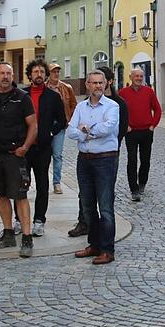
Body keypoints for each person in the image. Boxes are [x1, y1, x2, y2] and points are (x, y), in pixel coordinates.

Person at [0, 61, 38, 258]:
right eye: (2, 73)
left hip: (15, 154)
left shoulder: (22, 98)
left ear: (13, 76)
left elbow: (33, 125)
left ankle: (27, 238)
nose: (5, 76)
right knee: (0, 194)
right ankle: (8, 233)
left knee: (20, 195)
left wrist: (25, 148)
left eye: (8, 73)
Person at [68, 70, 120, 265]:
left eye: (101, 83)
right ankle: (94, 245)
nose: (97, 86)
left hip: (105, 160)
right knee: (87, 205)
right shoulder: (81, 107)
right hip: (85, 160)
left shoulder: (112, 106)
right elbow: (71, 130)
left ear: (106, 84)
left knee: (105, 207)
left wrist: (86, 130)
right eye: (94, 83)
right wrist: (86, 133)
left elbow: (109, 127)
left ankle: (107, 250)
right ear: (87, 85)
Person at [16, 59, 66, 237]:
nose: (39, 75)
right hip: (23, 147)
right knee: (20, 185)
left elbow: (62, 121)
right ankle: (19, 220)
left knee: (42, 185)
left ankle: (39, 220)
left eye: (42, 72)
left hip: (42, 148)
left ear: (46, 75)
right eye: (35, 72)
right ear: (30, 75)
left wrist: (49, 133)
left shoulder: (53, 96)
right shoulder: (22, 94)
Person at [118, 67, 162, 201]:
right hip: (131, 132)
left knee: (145, 160)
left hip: (146, 132)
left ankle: (142, 182)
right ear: (130, 77)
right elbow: (117, 111)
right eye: (136, 76)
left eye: (141, 76)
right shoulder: (123, 93)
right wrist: (125, 126)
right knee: (132, 160)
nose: (139, 78)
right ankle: (134, 189)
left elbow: (158, 109)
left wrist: (153, 125)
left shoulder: (149, 92)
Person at [46, 62, 76, 194]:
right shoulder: (43, 87)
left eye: (58, 71)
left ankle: (56, 182)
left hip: (60, 125)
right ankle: (43, 181)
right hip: (45, 125)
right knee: (45, 155)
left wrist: (69, 119)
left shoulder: (66, 87)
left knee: (57, 155)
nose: (56, 74)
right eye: (54, 72)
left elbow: (73, 104)